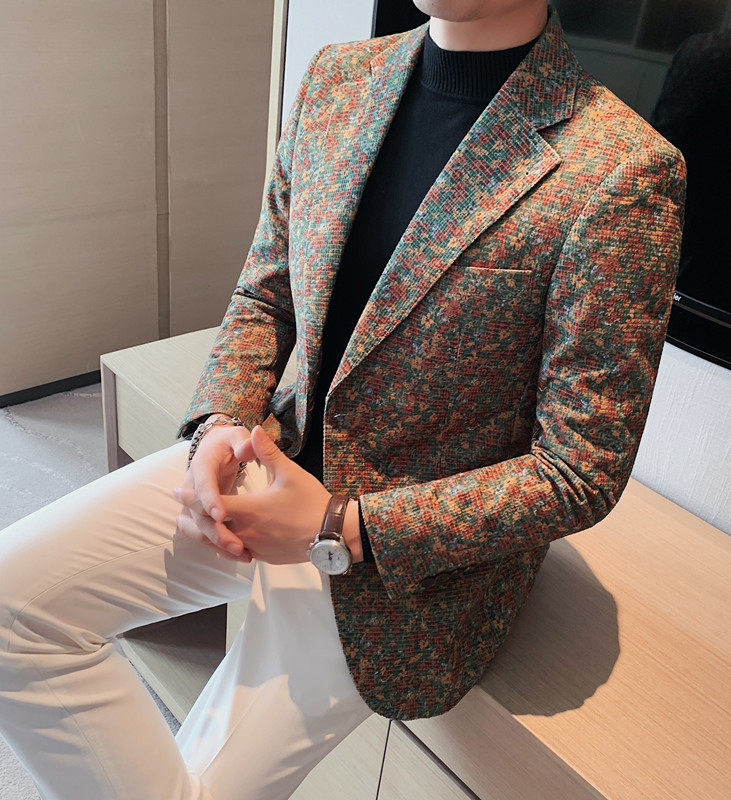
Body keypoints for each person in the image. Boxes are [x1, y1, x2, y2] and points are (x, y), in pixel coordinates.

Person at [0, 2, 686, 798]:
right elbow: (266, 294)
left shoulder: (621, 168)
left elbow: (579, 469)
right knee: (13, 609)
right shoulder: (338, 80)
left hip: (401, 571)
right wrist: (220, 422)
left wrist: (341, 524)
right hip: (267, 461)